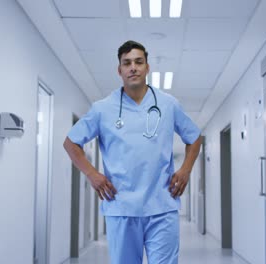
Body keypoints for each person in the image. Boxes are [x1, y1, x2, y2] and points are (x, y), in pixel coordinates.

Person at [63, 40, 202, 264]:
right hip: (121, 206)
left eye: (139, 62)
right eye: (127, 63)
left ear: (148, 67)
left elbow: (194, 138)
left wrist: (186, 169)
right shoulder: (102, 109)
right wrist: (92, 174)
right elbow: (70, 143)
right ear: (119, 70)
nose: (133, 67)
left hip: (162, 205)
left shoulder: (168, 104)